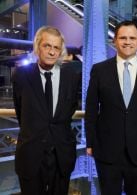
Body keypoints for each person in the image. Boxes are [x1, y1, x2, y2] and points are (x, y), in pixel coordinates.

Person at [85, 20, 137, 195]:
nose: (127, 42)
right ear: (115, 41)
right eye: (122, 37)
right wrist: (90, 142)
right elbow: (91, 109)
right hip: (106, 151)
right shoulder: (99, 70)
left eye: (132, 38)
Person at [12, 26, 80, 195]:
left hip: (61, 155)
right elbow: (21, 112)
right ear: (37, 47)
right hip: (31, 154)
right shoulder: (21, 75)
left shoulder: (71, 76)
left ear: (60, 51)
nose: (51, 52)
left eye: (56, 47)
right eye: (47, 46)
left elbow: (70, 109)